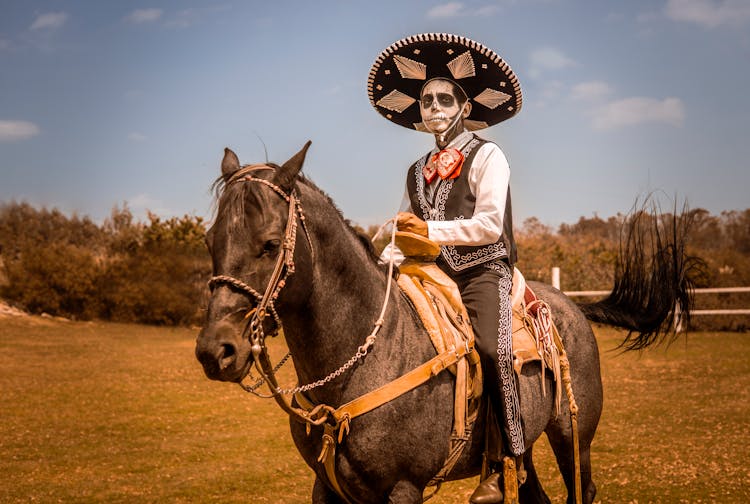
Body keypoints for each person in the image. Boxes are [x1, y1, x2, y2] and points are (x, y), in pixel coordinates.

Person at [368, 33, 523, 503]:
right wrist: (389, 254)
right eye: (425, 100)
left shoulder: (488, 155)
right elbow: (406, 231)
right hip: (430, 273)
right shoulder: (416, 170)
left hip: (482, 271)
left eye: (442, 98)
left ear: (462, 105)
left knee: (492, 351)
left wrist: (426, 234)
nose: (432, 107)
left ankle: (503, 462)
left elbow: (490, 226)